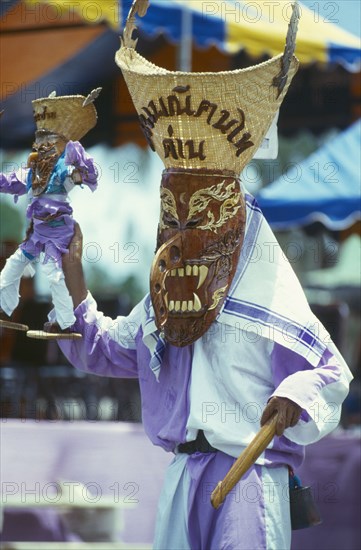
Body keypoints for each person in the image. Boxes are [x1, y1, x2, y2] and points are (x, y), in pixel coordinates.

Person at [55, 1, 352, 548]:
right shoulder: (163, 304)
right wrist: (72, 272)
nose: (184, 231)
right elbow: (101, 348)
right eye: (173, 214)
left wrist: (296, 395)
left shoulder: (267, 295)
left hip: (250, 478)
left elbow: (331, 373)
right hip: (182, 481)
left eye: (201, 214)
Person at [0, 89, 100, 338]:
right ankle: (4, 308)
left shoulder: (62, 172)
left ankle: (65, 321)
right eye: (39, 144)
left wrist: (78, 161)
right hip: (36, 234)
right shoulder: (32, 174)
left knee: (54, 276)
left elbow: (87, 175)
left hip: (57, 232)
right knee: (12, 267)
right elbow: (8, 181)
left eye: (47, 144)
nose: (41, 148)